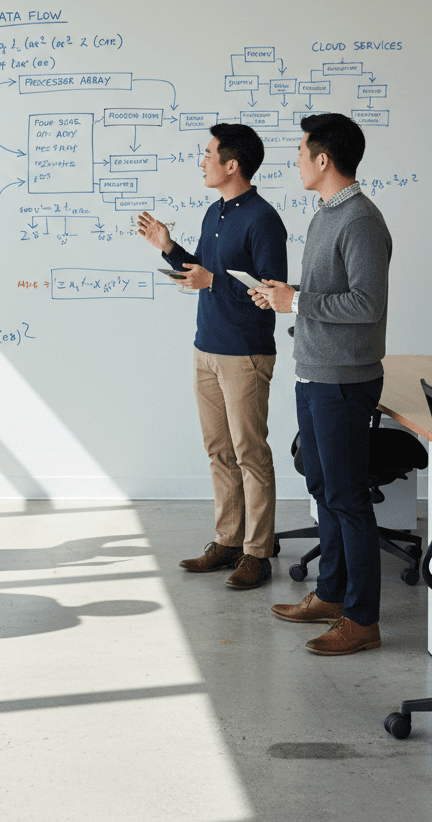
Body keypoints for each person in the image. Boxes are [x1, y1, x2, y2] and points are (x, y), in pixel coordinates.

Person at [251, 112, 392, 656]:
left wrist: (298, 301)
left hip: (342, 380)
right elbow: (326, 293)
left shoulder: (360, 219)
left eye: (301, 152)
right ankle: (331, 594)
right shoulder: (325, 215)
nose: (297, 161)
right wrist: (288, 292)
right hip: (313, 372)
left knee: (348, 499)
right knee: (323, 490)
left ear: (323, 159)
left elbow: (366, 303)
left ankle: (362, 619)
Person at [137, 122, 287, 590]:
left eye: (207, 154)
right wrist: (168, 247)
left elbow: (270, 293)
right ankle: (227, 541)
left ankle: (258, 553)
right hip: (206, 347)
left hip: (245, 353)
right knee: (219, 451)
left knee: (250, 453)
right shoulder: (213, 212)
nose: (202, 161)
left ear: (232, 164)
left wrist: (214, 283)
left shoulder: (263, 219)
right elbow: (200, 270)